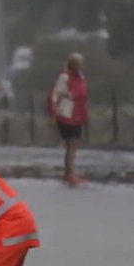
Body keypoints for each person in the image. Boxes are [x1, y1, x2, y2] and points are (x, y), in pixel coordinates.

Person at [47, 52, 88, 187]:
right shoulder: (64, 77)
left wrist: (85, 114)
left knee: (73, 145)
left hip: (77, 115)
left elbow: (83, 96)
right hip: (66, 114)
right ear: (71, 63)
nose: (79, 65)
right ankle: (69, 174)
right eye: (76, 63)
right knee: (71, 143)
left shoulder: (81, 77)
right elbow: (53, 96)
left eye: (80, 63)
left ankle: (69, 173)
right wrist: (53, 114)